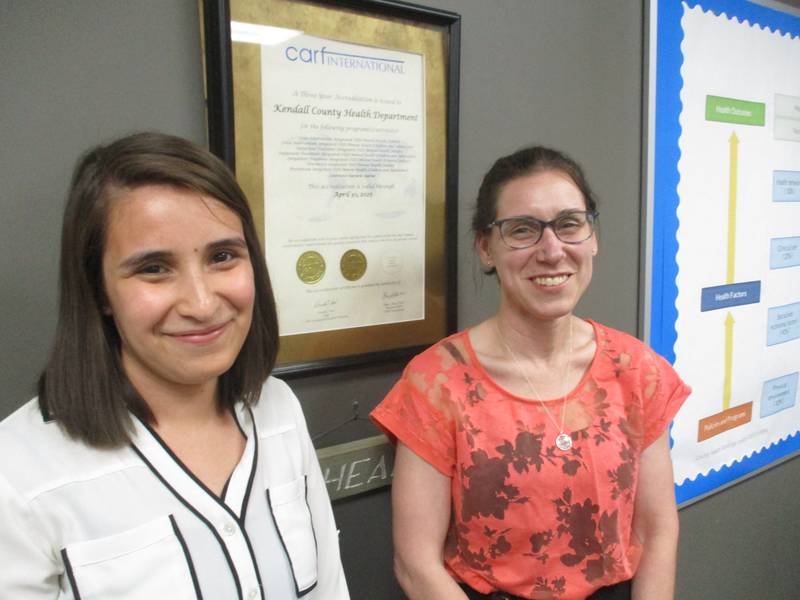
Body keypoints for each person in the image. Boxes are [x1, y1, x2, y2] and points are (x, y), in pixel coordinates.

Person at [0, 132, 349, 599]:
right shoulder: (18, 474)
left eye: (222, 256)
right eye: (154, 268)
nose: (202, 304)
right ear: (99, 290)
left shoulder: (278, 410)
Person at [372, 146, 690, 600]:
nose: (552, 250)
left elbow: (658, 532)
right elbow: (416, 564)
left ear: (592, 236)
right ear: (486, 248)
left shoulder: (635, 369)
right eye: (522, 230)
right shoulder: (436, 383)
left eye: (569, 224)